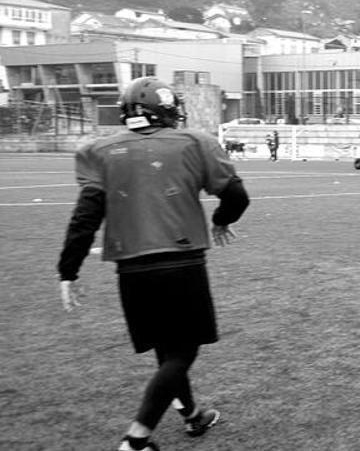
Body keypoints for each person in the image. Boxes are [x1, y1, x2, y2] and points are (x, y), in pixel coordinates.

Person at [55, 77, 250, 451]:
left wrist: (68, 270)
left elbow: (86, 215)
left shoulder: (99, 150)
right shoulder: (196, 142)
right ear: (164, 108)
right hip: (181, 262)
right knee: (183, 351)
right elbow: (237, 196)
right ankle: (136, 439)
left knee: (166, 349)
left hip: (130, 269)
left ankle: (193, 416)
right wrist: (222, 220)